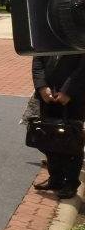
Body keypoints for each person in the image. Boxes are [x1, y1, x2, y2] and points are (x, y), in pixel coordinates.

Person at [31, 54, 85, 199]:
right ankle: (55, 178)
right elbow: (38, 61)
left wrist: (68, 91)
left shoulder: (78, 33)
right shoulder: (47, 34)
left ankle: (71, 183)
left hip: (74, 96)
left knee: (72, 140)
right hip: (47, 95)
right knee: (49, 137)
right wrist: (42, 87)